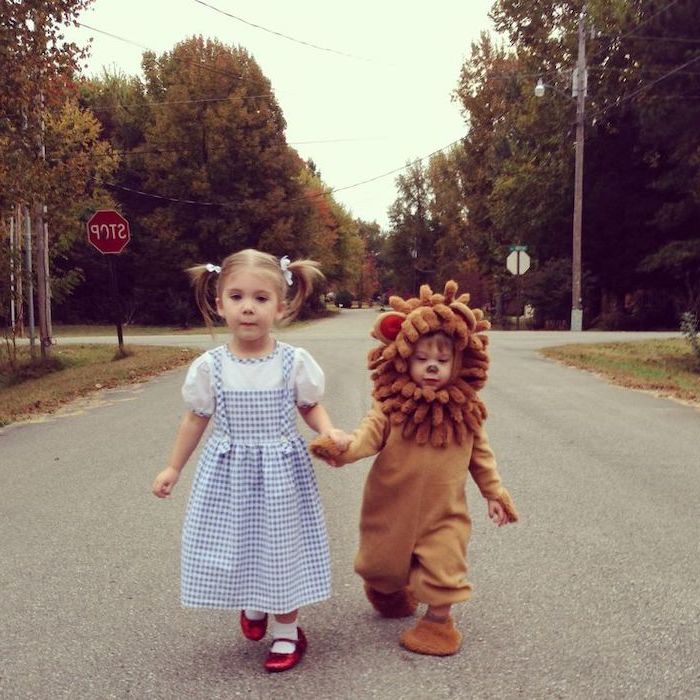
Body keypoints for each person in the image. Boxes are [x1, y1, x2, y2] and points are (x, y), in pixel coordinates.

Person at [152, 249, 348, 673]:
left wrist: (327, 431)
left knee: (282, 548)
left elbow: (310, 405)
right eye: (237, 296)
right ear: (219, 303)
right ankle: (255, 604)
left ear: (281, 306)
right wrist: (173, 467)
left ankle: (286, 633)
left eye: (261, 298)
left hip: (281, 475)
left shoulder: (292, 361)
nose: (248, 307)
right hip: (229, 476)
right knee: (240, 544)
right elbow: (195, 418)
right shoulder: (211, 366)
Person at [310, 280, 518, 656]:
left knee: (444, 566)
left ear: (460, 361)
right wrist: (342, 448)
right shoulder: (392, 406)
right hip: (390, 509)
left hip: (444, 513)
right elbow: (367, 438)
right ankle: (390, 590)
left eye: (442, 360)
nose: (432, 367)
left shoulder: (466, 412)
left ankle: (439, 624)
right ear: (404, 359)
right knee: (380, 568)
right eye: (422, 359)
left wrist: (494, 493)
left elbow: (481, 456)